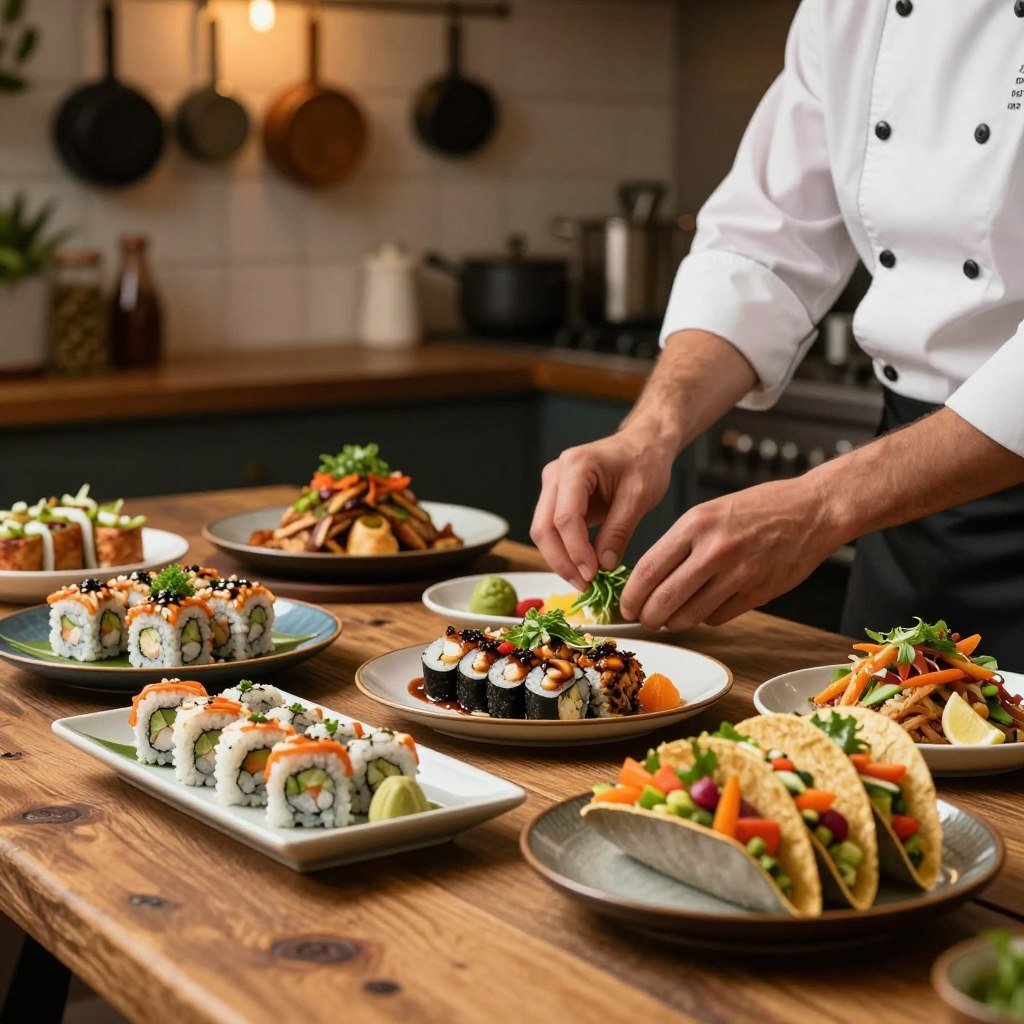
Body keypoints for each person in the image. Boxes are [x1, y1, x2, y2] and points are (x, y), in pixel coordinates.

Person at [530, 0, 1024, 662]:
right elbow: (764, 245)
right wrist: (648, 434)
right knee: (864, 748)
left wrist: (822, 507)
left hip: (932, 475)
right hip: (907, 514)